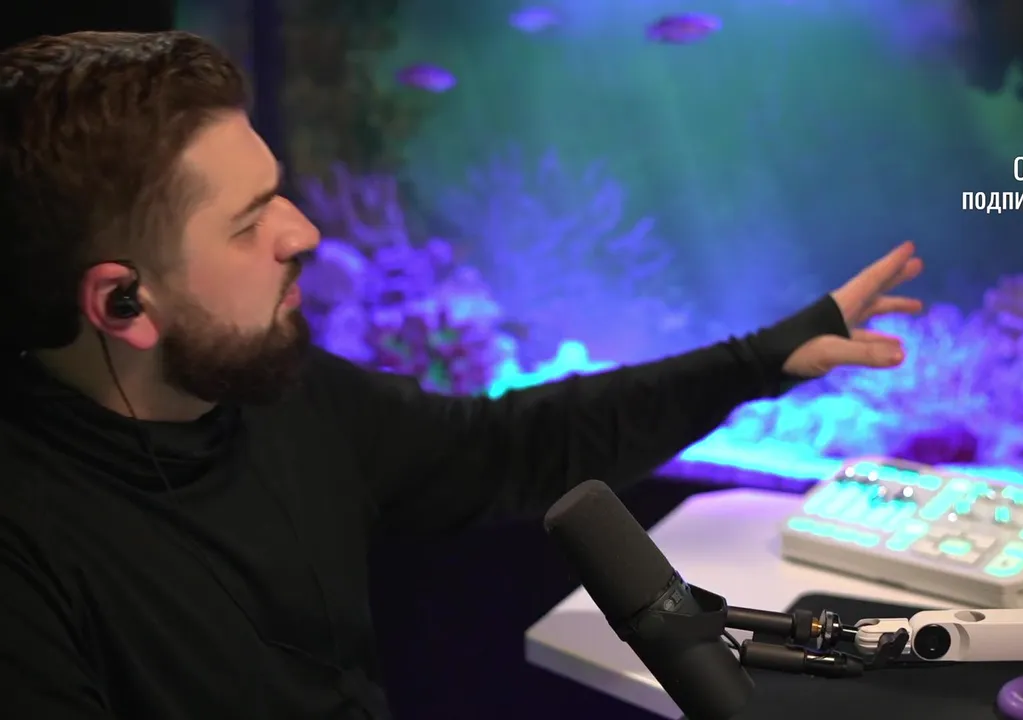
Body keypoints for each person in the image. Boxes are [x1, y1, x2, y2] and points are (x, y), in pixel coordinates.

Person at [0, 31, 924, 719]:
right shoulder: (26, 550)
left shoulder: (287, 395)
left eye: (276, 192)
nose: (303, 232)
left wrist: (762, 359)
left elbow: (509, 447)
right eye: (248, 224)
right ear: (123, 303)